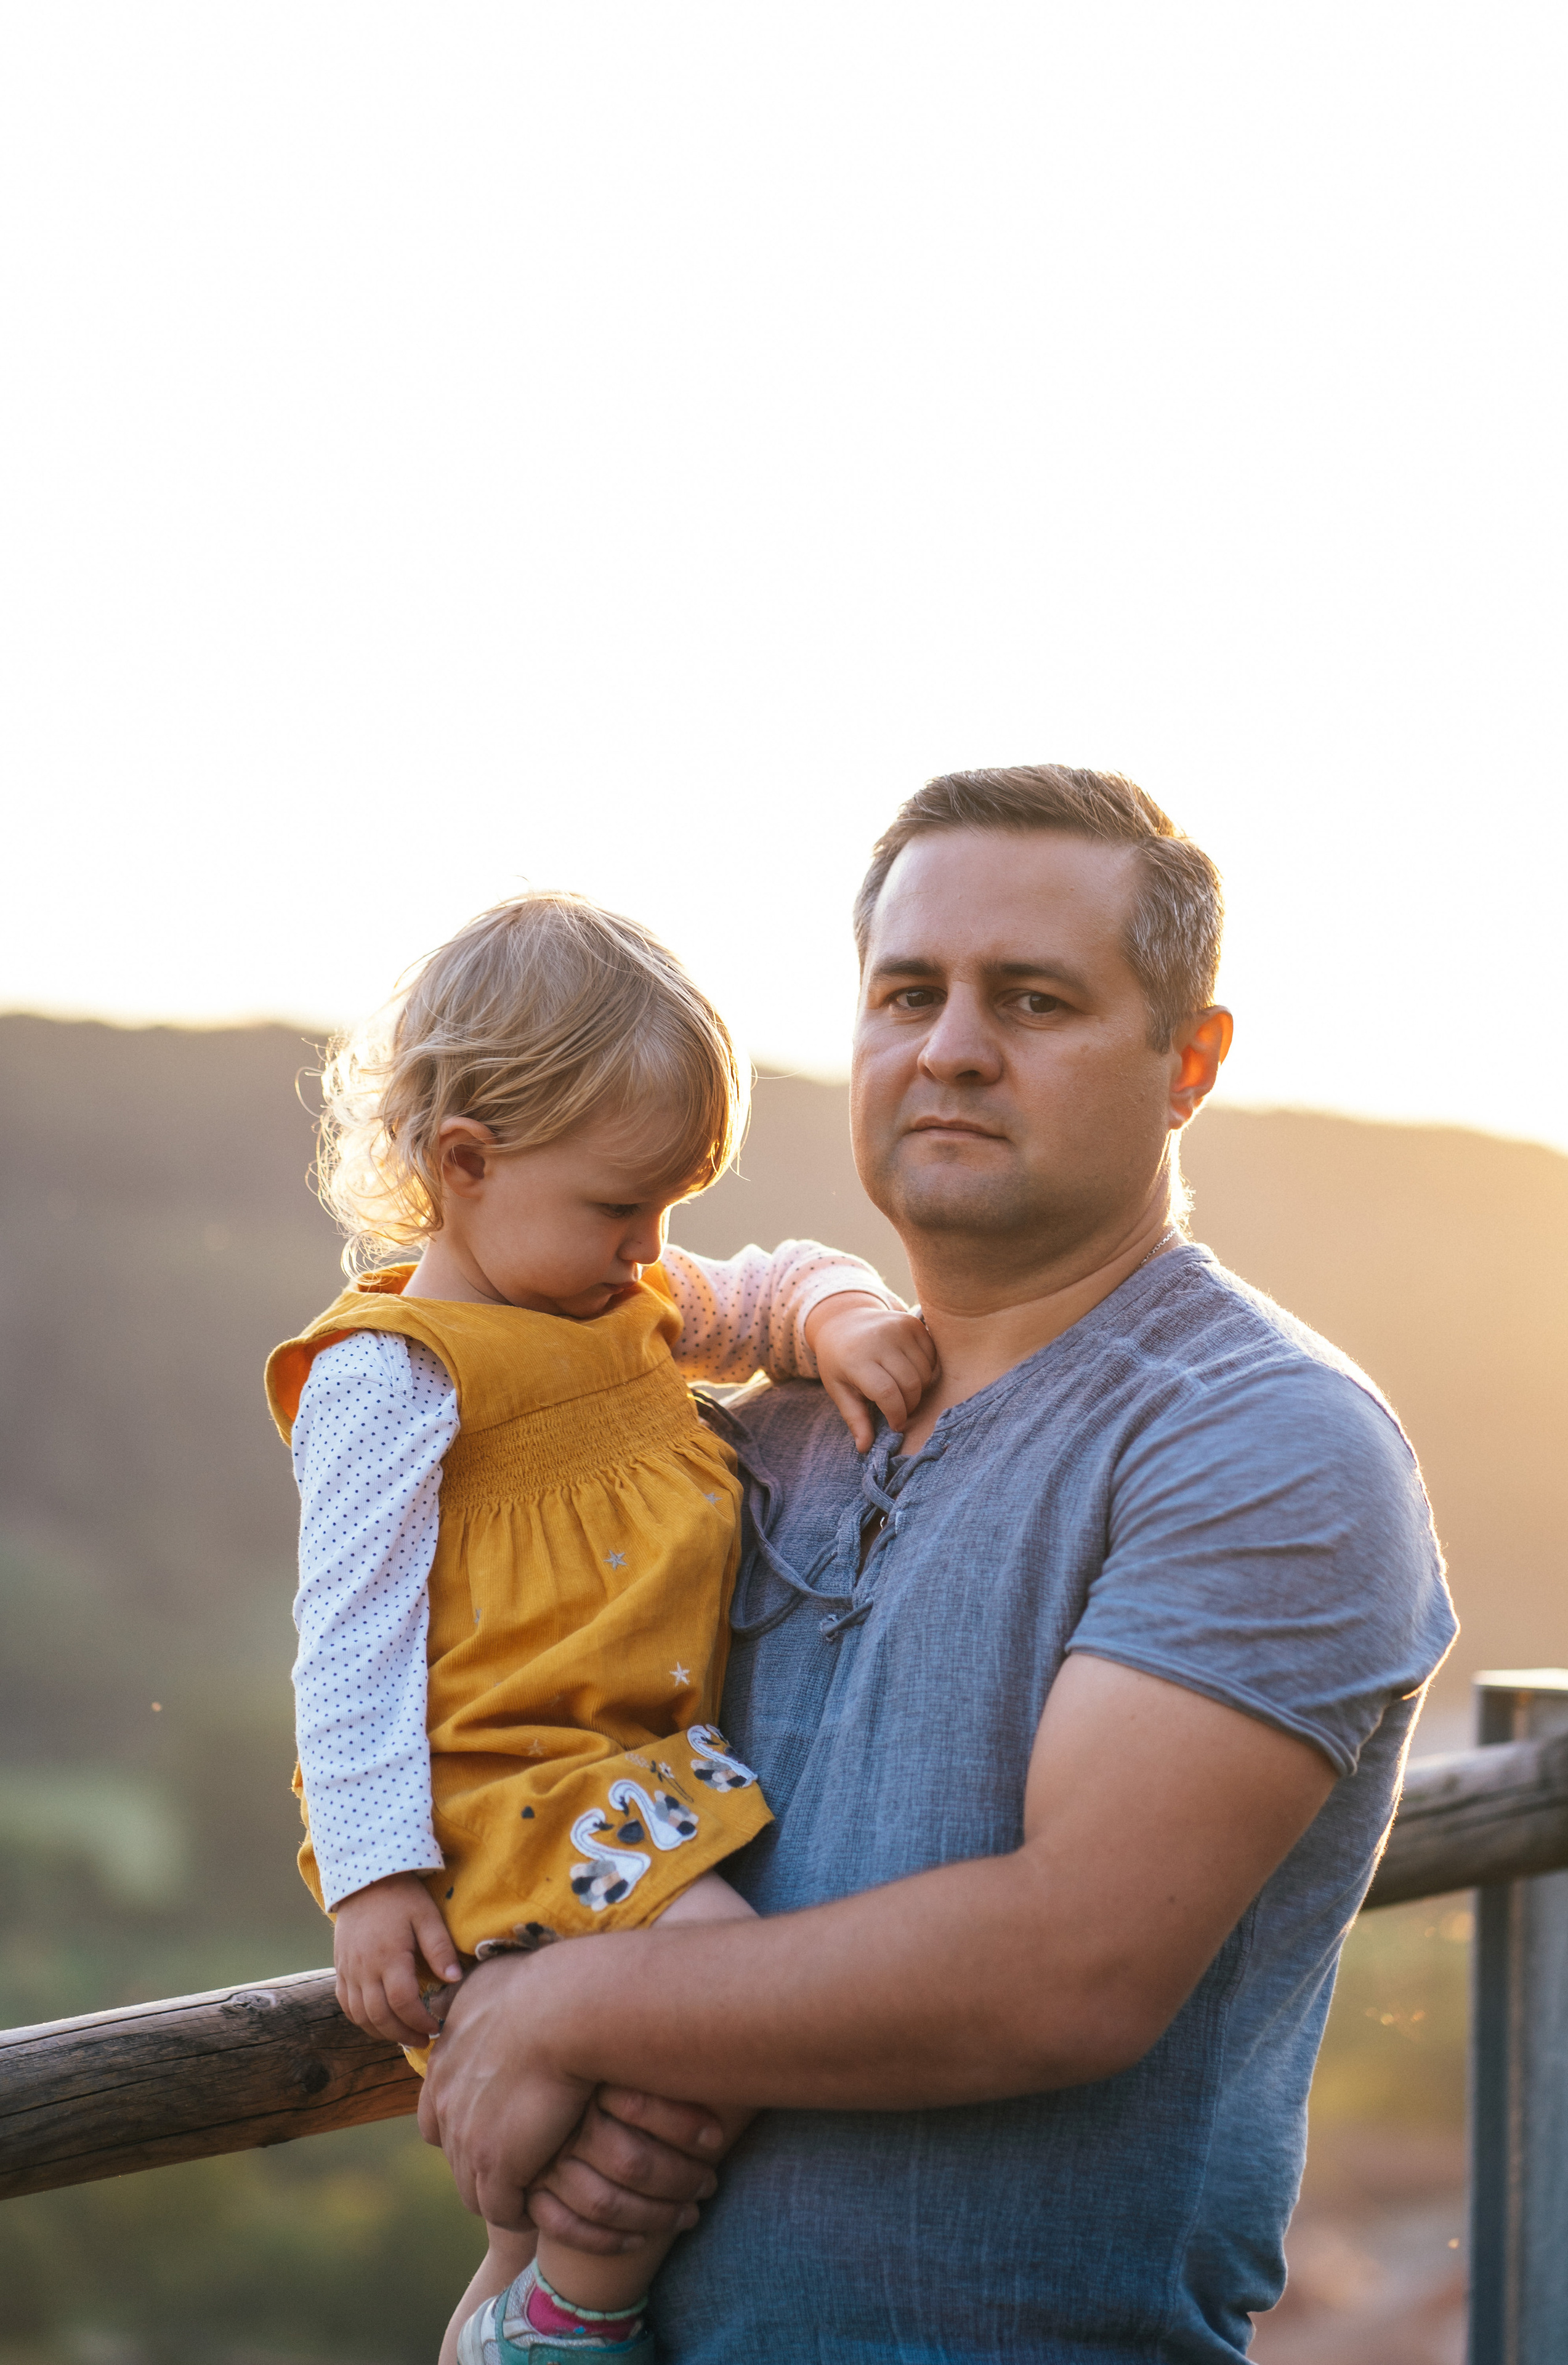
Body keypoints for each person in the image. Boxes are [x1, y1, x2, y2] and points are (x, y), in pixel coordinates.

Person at [416, 766, 1458, 2364]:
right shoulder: (752, 1434)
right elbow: (551, 1771)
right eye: (909, 992)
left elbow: (1070, 1969)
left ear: (1190, 1064)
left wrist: (558, 2014)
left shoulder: (1265, 1442)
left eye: (1033, 999)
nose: (951, 1045)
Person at [264, 891, 937, 2363]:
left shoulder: (612, 1301)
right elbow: (350, 1642)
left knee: (625, 2084)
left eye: (670, 1206)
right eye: (620, 1205)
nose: (652, 1249)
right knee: (722, 2003)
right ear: (464, 1163)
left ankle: (508, 2318)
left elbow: (760, 1291)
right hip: (509, 1797)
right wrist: (373, 1880)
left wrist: (832, 1319)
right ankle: (578, 2310)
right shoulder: (399, 1377)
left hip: (628, 1788)